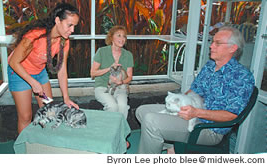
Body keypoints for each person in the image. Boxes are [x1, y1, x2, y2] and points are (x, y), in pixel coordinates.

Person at [135, 26, 255, 154]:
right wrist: (182, 103)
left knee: (151, 121)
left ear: (232, 48)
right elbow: (194, 91)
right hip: (192, 112)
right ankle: (171, 145)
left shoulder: (241, 76)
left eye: (217, 43)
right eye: (212, 41)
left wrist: (196, 112)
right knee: (142, 111)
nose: (211, 46)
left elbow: (231, 115)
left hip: (209, 128)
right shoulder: (210, 66)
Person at [8, 3, 80, 133]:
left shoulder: (64, 41)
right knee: (25, 116)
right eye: (70, 25)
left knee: (48, 111)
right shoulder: (34, 36)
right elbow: (13, 62)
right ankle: (24, 150)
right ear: (57, 20)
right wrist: (32, 82)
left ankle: (43, 145)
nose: (72, 30)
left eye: (74, 26)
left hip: (39, 73)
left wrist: (66, 98)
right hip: (19, 73)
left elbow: (62, 71)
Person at [90, 25, 134, 119]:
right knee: (112, 106)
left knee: (122, 107)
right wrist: (109, 68)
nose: (122, 39)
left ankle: (120, 132)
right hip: (102, 87)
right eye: (119, 35)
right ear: (111, 37)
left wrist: (121, 82)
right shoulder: (102, 51)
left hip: (120, 87)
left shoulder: (128, 55)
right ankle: (108, 131)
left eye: (124, 36)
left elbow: (130, 77)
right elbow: (93, 73)